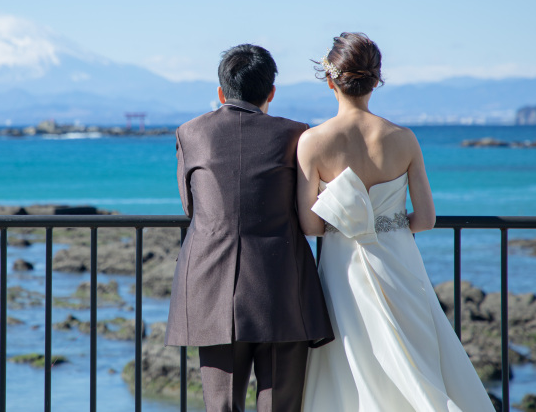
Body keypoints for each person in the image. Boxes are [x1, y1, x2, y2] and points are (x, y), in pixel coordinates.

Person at [297, 32, 494, 411]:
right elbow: (425, 218)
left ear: (330, 78)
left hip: (344, 270)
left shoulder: (313, 141)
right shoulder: (403, 138)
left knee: (355, 365)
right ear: (376, 80)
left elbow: (309, 226)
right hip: (401, 262)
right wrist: (387, 223)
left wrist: (348, 220)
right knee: (417, 362)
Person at [165, 44, 334, 412]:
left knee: (221, 405)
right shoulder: (296, 134)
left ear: (221, 93)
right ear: (271, 92)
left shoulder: (190, 133)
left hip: (210, 283)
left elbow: (191, 207)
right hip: (281, 284)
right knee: (281, 407)